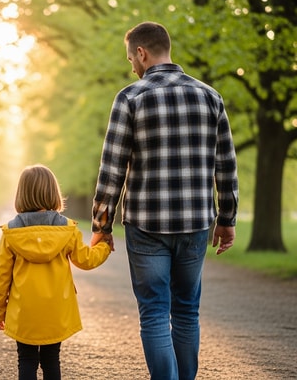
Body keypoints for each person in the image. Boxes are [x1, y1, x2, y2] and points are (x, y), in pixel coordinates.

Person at [90, 21, 239, 380]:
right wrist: (227, 219)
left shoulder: (130, 98)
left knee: (155, 312)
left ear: (142, 53)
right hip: (195, 222)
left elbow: (112, 170)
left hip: (147, 225)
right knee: (187, 310)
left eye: (131, 60)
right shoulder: (210, 97)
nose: (132, 67)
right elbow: (226, 165)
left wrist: (101, 227)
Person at [0, 164, 112, 380]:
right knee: (51, 360)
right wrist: (104, 245)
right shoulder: (66, 229)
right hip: (56, 311)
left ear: (21, 195)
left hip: (24, 312)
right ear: (53, 192)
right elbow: (86, 259)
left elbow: (0, 277)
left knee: (26, 360)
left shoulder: (11, 233)